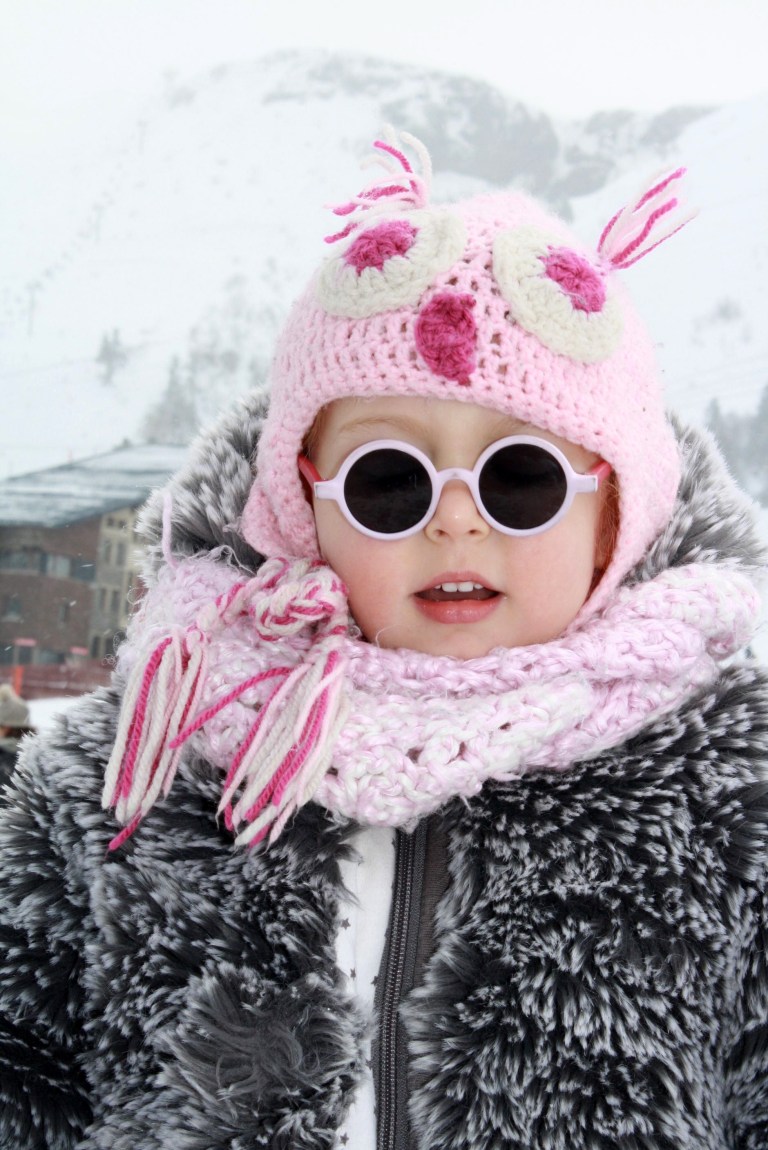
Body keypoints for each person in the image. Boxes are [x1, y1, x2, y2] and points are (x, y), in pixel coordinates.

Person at [1, 129, 766, 1150]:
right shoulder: (130, 779)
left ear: (613, 520)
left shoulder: (732, 792)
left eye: (522, 480)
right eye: (391, 481)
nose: (457, 521)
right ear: (300, 507)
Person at [0, 682, 35, 790]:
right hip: (21, 744)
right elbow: (27, 722)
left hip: (5, 746)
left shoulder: (2, 707)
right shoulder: (22, 705)